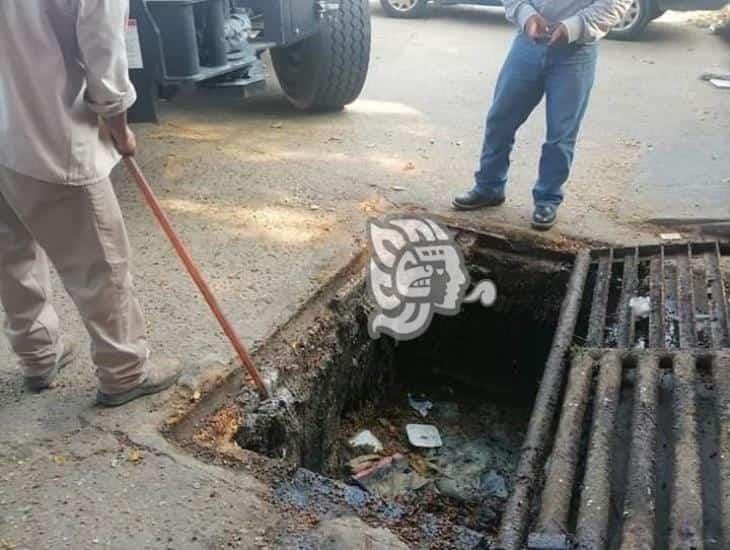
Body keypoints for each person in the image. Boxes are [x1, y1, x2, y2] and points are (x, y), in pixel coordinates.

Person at [0, 1, 181, 406]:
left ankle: (38, 355)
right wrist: (119, 126)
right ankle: (125, 370)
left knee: (11, 255)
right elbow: (103, 47)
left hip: (6, 125)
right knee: (100, 261)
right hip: (47, 133)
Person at [452, 0, 632, 230]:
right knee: (500, 119)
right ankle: (489, 187)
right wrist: (526, 15)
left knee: (561, 133)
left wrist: (572, 27)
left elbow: (616, 3)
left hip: (576, 51)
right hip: (527, 44)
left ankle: (547, 198)